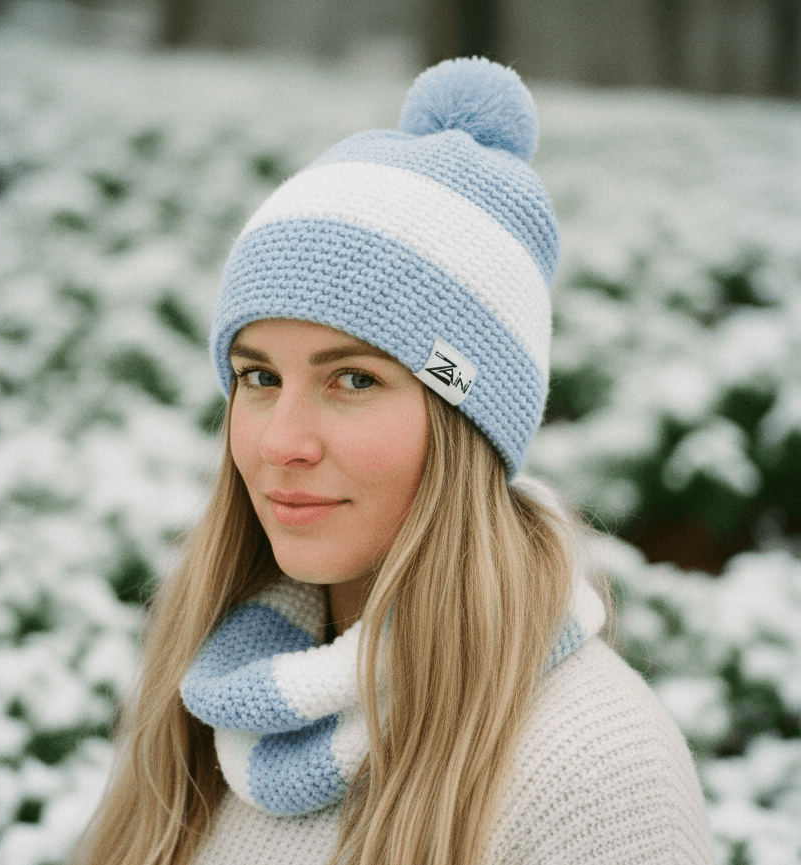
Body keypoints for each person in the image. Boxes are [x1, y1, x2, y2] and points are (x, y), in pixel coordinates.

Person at [70, 58, 713, 865]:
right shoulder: (209, 692)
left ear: (464, 419)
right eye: (259, 377)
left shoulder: (594, 769)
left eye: (353, 379)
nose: (281, 442)